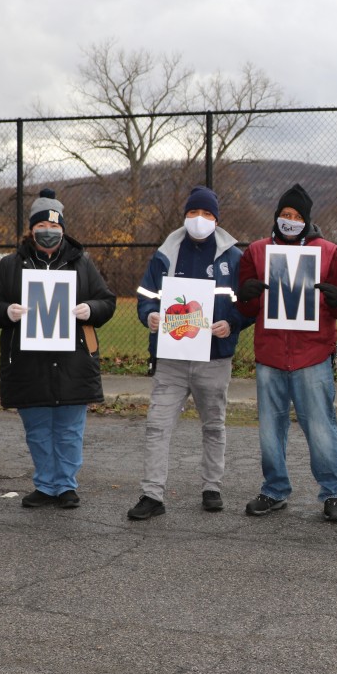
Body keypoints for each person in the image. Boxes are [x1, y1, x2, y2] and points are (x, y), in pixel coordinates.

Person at [0, 189, 117, 510]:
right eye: (43, 227)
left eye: (56, 228)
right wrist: (6, 312)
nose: (49, 233)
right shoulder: (11, 266)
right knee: (38, 430)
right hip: (28, 365)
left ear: (64, 230)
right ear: (31, 229)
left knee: (69, 431)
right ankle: (45, 484)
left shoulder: (82, 264)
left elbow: (107, 302)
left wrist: (90, 309)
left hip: (73, 364)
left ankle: (66, 485)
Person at [128, 186, 252, 520]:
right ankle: (152, 494)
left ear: (216, 219)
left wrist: (233, 323)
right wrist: (149, 315)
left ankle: (212, 488)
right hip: (171, 357)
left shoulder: (235, 258)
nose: (200, 219)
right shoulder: (165, 254)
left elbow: (250, 303)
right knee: (157, 425)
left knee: (214, 426)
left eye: (208, 214)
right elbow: (145, 296)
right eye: (195, 213)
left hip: (214, 358)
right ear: (185, 216)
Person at [234, 184, 337, 521]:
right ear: (276, 217)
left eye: (297, 216)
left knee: (320, 427)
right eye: (285, 215)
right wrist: (247, 294)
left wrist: (335, 299)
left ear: (307, 220)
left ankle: (333, 493)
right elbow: (245, 307)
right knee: (269, 430)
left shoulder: (327, 252)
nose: (290, 220)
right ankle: (274, 490)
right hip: (270, 355)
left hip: (311, 355)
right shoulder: (257, 252)